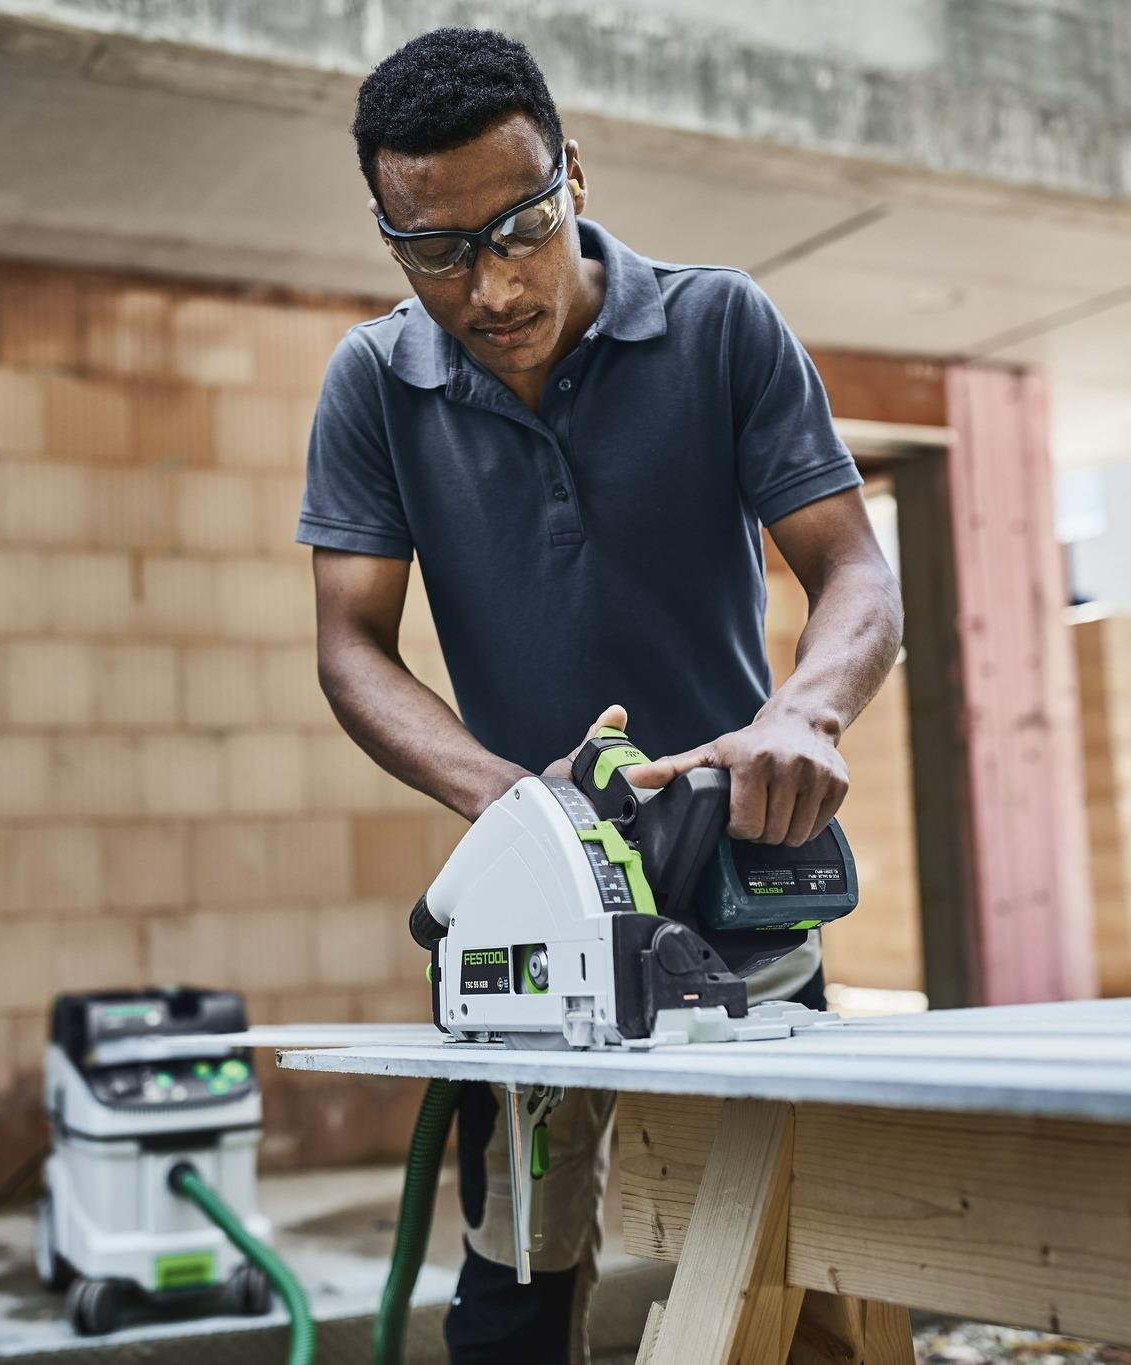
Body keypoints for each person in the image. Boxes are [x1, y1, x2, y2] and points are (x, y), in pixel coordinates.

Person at [295, 27, 903, 1364]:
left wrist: (802, 715)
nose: (490, 282)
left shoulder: (718, 325)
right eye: (434, 251)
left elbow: (851, 569)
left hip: (742, 873)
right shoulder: (372, 384)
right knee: (515, 1292)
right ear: (389, 233)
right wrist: (526, 813)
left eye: (519, 226)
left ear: (572, 170)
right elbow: (350, 645)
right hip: (534, 912)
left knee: (790, 1274)